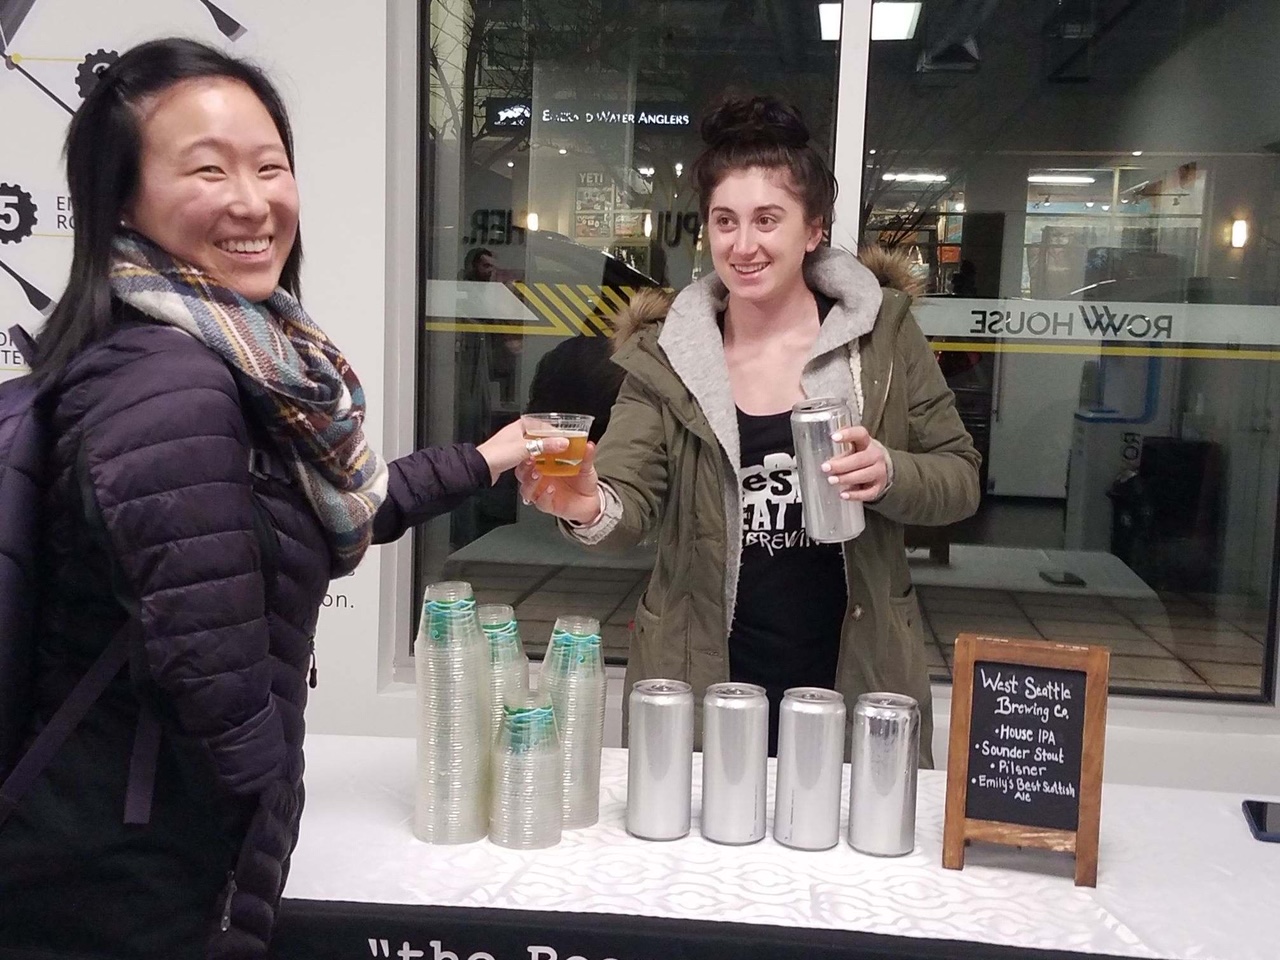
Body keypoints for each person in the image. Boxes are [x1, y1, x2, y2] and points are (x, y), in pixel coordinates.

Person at [0, 38, 561, 960]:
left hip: (115, 847)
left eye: (269, 167)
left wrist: (486, 459)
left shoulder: (238, 357)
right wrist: (263, 818)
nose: (253, 202)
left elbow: (331, 507)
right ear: (122, 199)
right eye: (207, 170)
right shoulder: (172, 385)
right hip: (124, 881)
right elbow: (217, 694)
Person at [517, 96, 980, 759]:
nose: (743, 245)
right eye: (725, 221)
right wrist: (586, 504)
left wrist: (888, 473)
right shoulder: (668, 356)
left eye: (767, 220)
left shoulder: (880, 340)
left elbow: (959, 478)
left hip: (855, 669)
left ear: (813, 229)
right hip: (699, 672)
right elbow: (628, 503)